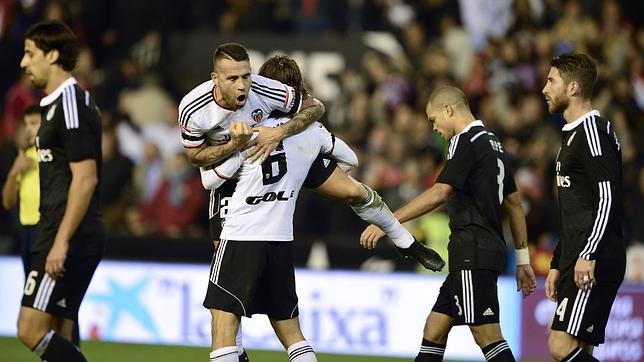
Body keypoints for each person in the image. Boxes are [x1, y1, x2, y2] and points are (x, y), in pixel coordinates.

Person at [361, 86, 536, 362]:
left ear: (448, 110)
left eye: (433, 119)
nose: (434, 127)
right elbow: (514, 203)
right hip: (484, 249)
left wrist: (388, 220)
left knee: (487, 335)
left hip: (472, 250)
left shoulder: (463, 141)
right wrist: (523, 258)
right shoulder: (493, 142)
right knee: (435, 328)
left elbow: (440, 192)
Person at [16, 20, 105, 362]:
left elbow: (86, 179)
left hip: (70, 233)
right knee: (60, 329)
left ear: (52, 55)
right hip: (59, 228)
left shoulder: (71, 102)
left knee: (29, 329)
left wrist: (61, 241)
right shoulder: (54, 104)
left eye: (30, 53)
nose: (23, 63)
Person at [542, 53, 625, 362]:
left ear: (573, 87)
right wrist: (556, 262)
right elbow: (575, 209)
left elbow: (607, 198)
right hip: (578, 255)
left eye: (552, 81)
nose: (544, 88)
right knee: (579, 350)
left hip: (595, 257)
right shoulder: (573, 134)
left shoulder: (592, 131)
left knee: (559, 346)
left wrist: (588, 254)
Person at [2, 104, 41, 277]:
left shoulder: (59, 156)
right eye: (26, 124)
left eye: (34, 123)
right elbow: (8, 202)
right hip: (27, 231)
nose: (28, 130)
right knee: (30, 289)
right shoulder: (24, 158)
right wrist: (13, 173)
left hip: (49, 230)